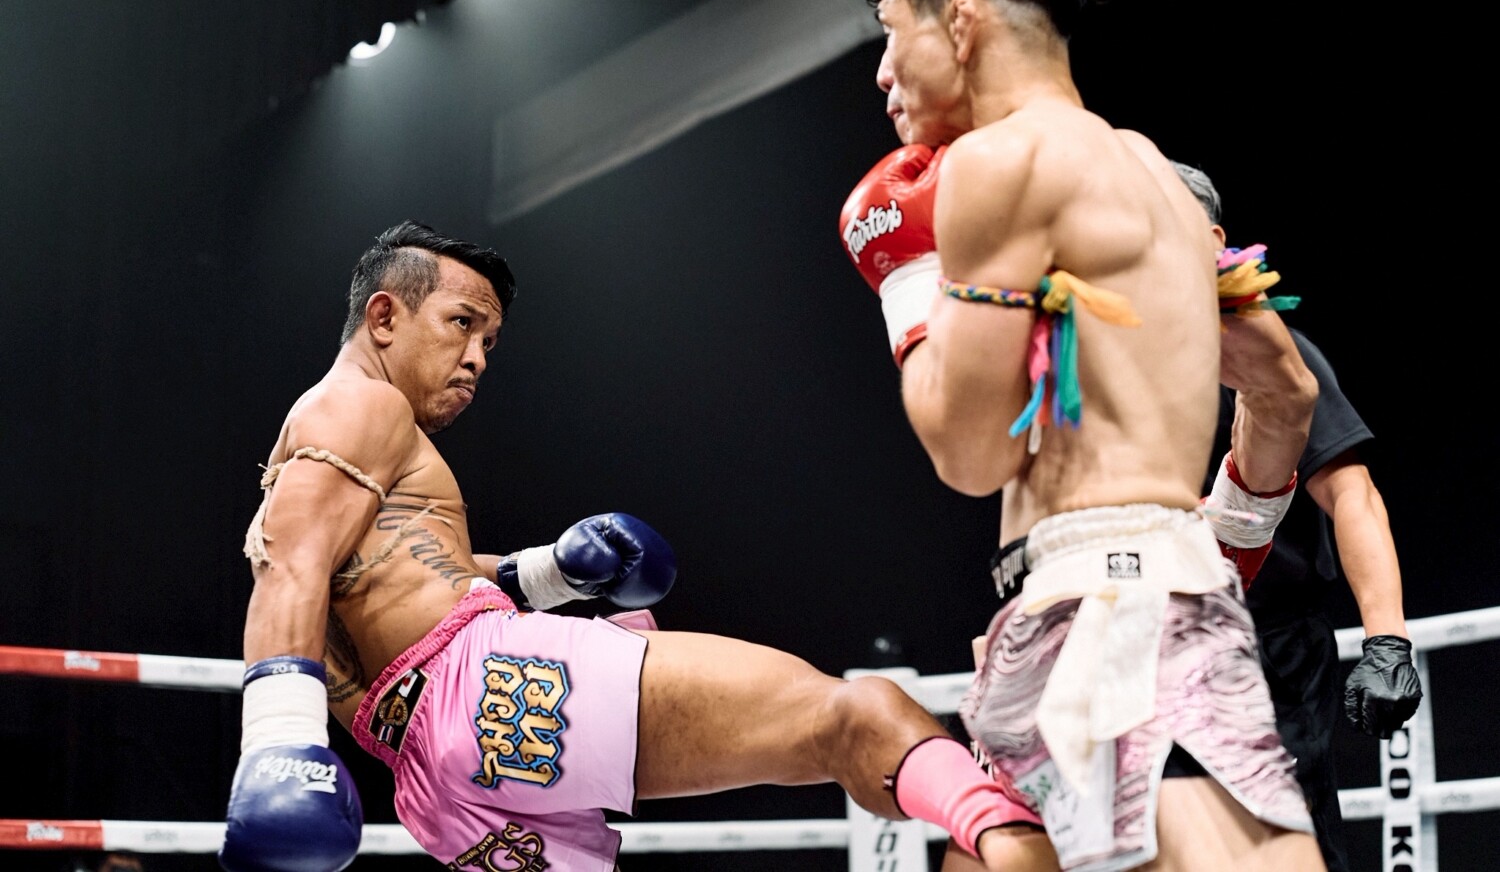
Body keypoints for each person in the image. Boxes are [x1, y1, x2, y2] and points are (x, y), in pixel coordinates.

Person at [218, 219, 1053, 872]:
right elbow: (295, 569)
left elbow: (393, 575)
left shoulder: (330, 448)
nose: (475, 359)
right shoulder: (360, 404)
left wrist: (553, 571)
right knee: (851, 717)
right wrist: (279, 743)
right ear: (384, 316)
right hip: (489, 688)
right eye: (461, 324)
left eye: (489, 343)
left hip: (441, 774)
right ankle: (1017, 839)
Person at [844, 0, 1326, 870]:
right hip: (1121, 589)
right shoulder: (1157, 179)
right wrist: (1219, 540)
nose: (884, 72)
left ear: (962, 24)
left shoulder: (1001, 164)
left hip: (1104, 608)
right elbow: (1286, 389)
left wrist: (905, 285)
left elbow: (971, 454)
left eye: (893, 34)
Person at [1177, 161, 1423, 872]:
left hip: (1266, 643)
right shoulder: (1093, 352)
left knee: (1282, 842)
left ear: (1211, 239)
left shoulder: (1266, 352)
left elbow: (1352, 494)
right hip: (1137, 634)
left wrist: (1387, 640)